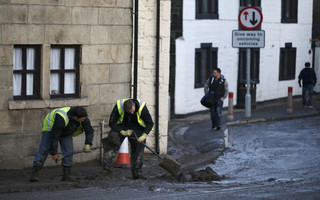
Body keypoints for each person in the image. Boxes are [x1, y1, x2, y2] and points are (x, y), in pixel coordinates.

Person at [30, 106, 94, 182]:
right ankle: (35, 172)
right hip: (50, 128)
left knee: (69, 151)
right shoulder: (61, 117)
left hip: (66, 130)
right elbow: (55, 136)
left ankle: (66, 175)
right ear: (75, 117)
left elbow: (89, 131)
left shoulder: (83, 118)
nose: (83, 120)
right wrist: (54, 153)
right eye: (81, 119)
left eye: (84, 118)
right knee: (44, 149)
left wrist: (88, 144)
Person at [102, 99, 154, 179]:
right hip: (122, 126)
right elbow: (111, 122)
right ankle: (106, 172)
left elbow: (150, 123)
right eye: (129, 111)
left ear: (134, 105)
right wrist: (123, 132)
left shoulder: (142, 108)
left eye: (132, 111)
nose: (131, 113)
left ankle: (137, 173)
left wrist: (144, 135)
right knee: (111, 143)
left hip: (137, 127)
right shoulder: (119, 106)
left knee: (138, 149)